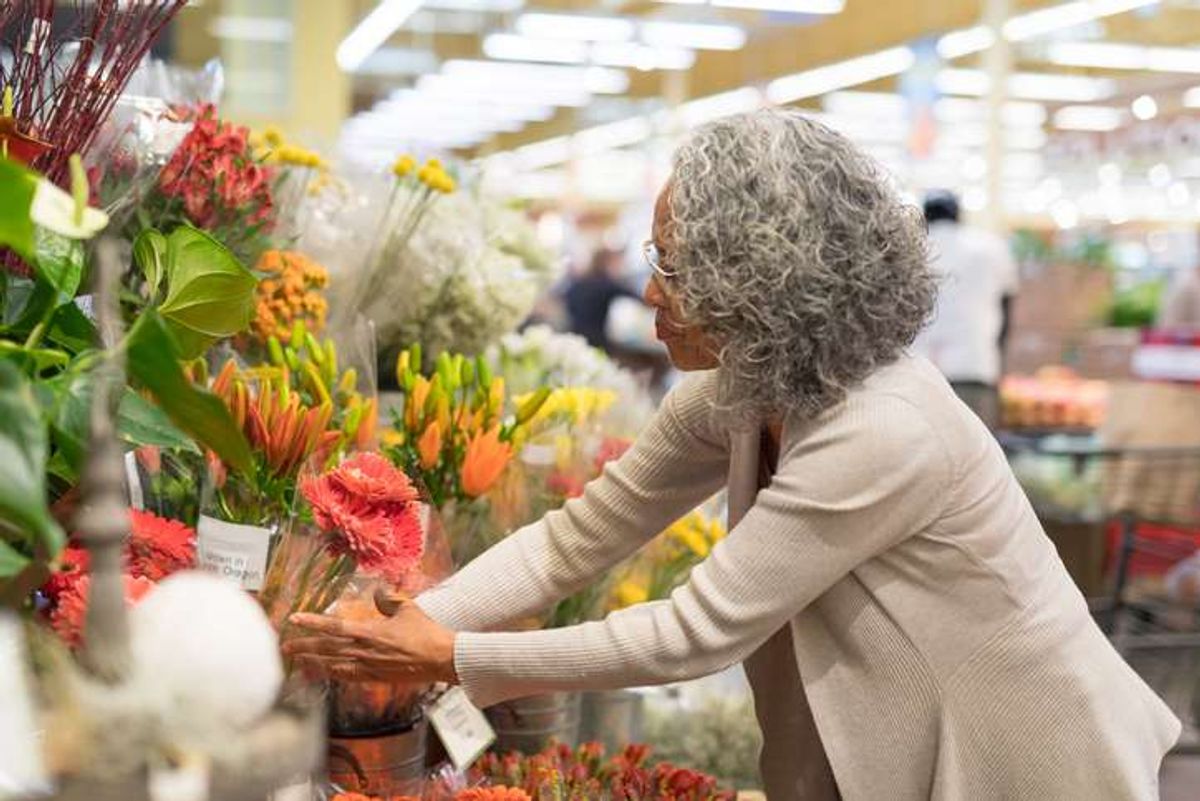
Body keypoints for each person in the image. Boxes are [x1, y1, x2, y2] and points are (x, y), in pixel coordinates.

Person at [285, 109, 1179, 800]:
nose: (648, 292)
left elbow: (695, 632)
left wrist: (450, 656)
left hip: (1027, 754)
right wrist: (398, 621)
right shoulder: (741, 394)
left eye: (673, 265)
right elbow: (575, 539)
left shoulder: (882, 426)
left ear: (760, 278)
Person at [912, 190, 1018, 428]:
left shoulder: (910, 248)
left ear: (925, 215)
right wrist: (998, 358)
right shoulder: (991, 248)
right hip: (975, 365)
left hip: (917, 370)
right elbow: (1007, 306)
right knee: (976, 451)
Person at [563, 246, 643, 351]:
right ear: (607, 263)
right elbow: (638, 297)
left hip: (575, 338)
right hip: (597, 341)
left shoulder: (578, 283)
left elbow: (567, 300)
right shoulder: (607, 284)